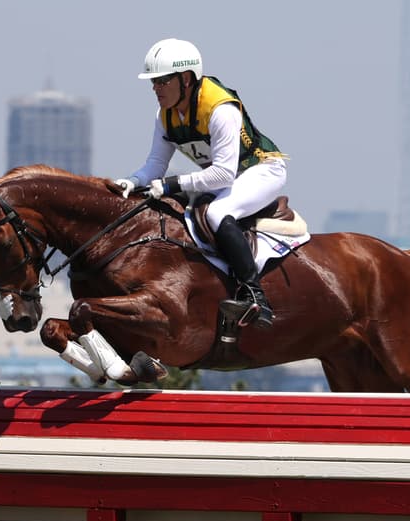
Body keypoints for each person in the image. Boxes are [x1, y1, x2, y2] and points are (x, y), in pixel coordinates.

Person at [114, 38, 287, 327]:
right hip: (223, 177)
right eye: (153, 82)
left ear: (186, 79)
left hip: (262, 171)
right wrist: (131, 182)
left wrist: (170, 184)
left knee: (217, 213)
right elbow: (155, 164)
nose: (156, 88)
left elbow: (223, 174)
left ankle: (255, 296)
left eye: (162, 81)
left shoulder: (220, 109)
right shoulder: (165, 115)